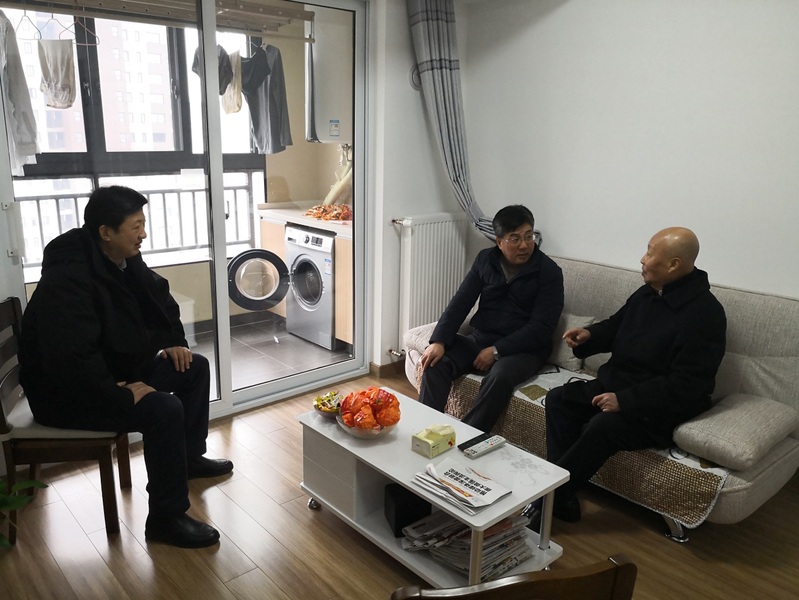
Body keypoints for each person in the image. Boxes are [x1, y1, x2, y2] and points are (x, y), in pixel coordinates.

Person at [19, 185, 233, 549]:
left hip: (109, 372)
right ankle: (165, 518)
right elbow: (70, 357)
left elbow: (158, 298)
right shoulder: (69, 278)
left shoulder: (121, 259)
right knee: (163, 409)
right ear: (106, 231)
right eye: (136, 226)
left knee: (193, 368)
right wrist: (117, 393)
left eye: (143, 224)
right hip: (68, 394)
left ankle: (188, 457)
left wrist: (174, 341)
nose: (143, 234)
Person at [525, 227, 726, 530]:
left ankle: (546, 501)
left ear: (673, 264)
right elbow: (616, 325)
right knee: (559, 400)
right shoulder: (648, 292)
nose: (642, 259)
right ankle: (563, 496)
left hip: (658, 407)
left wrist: (626, 401)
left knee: (602, 426)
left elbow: (689, 383)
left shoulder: (705, 314)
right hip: (617, 386)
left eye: (650, 253)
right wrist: (589, 335)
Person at [418, 205, 564, 433]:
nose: (524, 245)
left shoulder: (549, 272)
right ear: (499, 242)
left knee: (499, 375)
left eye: (529, 236)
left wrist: (497, 350)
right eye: (515, 239)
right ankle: (427, 432)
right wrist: (439, 341)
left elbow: (542, 327)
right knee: (436, 362)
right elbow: (461, 302)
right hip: (481, 338)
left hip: (524, 351)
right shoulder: (485, 260)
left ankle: (466, 436)